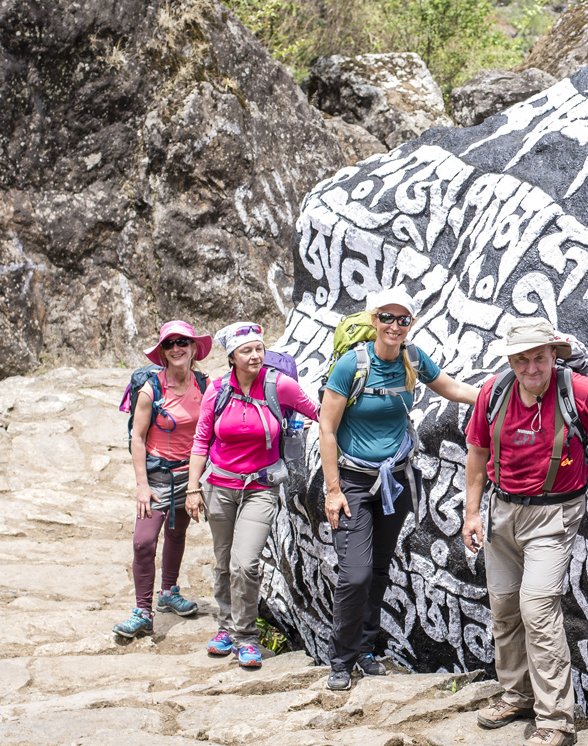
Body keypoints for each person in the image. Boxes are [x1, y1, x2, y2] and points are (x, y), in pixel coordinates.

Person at [461, 318, 588, 746]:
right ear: (510, 360)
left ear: (553, 354)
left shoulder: (579, 391)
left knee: (538, 608)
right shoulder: (494, 392)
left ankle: (556, 720)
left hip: (553, 514)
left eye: (539, 357)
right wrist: (471, 513)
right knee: (504, 606)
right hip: (502, 510)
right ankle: (516, 694)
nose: (531, 367)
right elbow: (477, 451)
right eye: (521, 359)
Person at [319, 289, 478, 692]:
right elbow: (327, 428)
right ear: (374, 320)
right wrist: (333, 489)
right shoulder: (351, 365)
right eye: (387, 318)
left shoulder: (413, 359)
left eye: (403, 319)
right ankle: (341, 659)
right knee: (355, 574)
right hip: (354, 482)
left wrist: (504, 395)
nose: (394, 326)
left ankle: (366, 650)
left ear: (411, 323)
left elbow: (452, 389)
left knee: (378, 567)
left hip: (395, 480)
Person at [186, 322, 321, 669]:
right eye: (246, 351)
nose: (255, 355)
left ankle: (246, 637)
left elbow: (322, 412)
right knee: (223, 561)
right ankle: (225, 629)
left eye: (259, 348)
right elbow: (201, 440)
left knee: (244, 563)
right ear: (232, 357)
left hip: (260, 487)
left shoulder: (280, 385)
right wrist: (192, 487)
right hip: (219, 486)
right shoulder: (217, 391)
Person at [114, 321, 213, 641]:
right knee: (143, 542)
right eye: (169, 344)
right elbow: (137, 438)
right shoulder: (150, 389)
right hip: (158, 477)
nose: (176, 348)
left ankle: (168, 592)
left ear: (194, 348)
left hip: (190, 475)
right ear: (162, 352)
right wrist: (142, 485)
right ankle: (143, 612)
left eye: (182, 342)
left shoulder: (205, 385)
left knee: (176, 532)